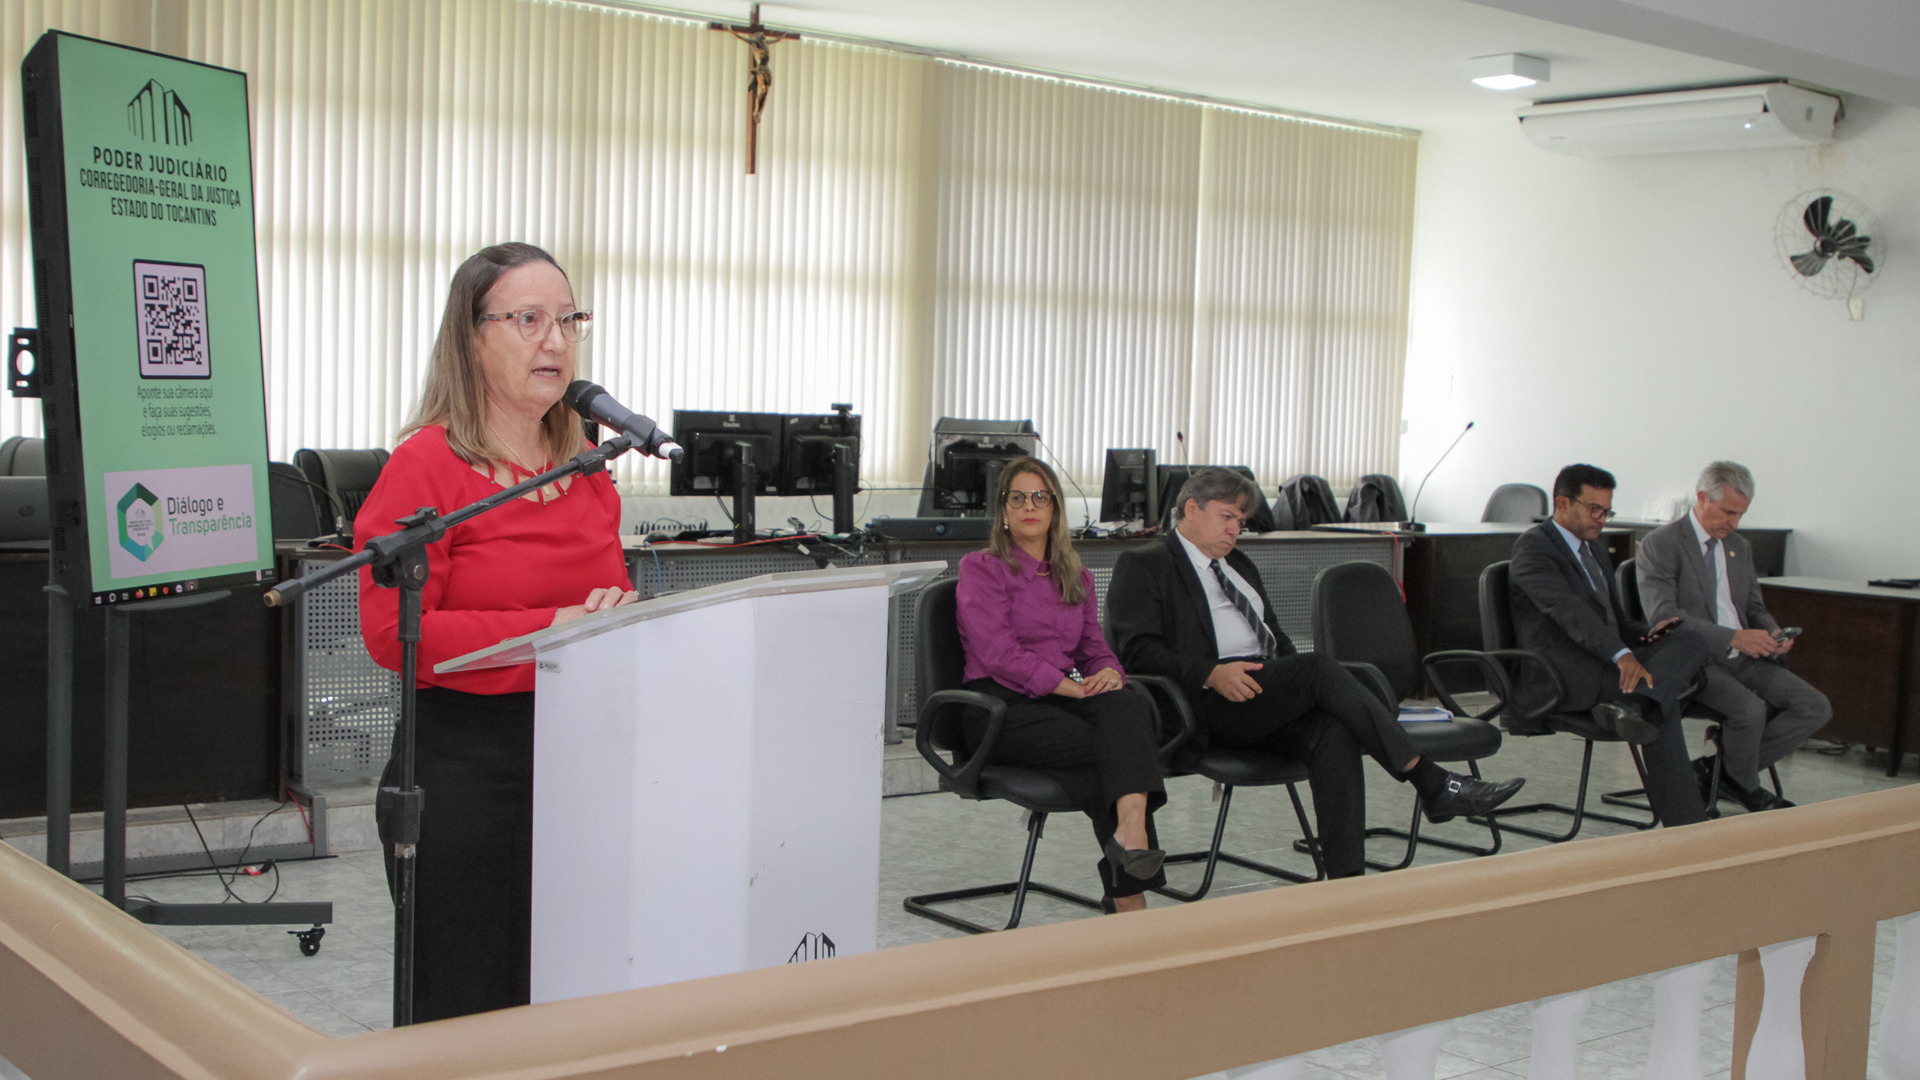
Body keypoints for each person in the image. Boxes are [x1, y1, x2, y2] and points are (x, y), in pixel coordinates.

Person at [356, 242, 639, 1020]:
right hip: (464, 767)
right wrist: (552, 628)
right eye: (528, 320)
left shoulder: (586, 463)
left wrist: (619, 622)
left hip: (584, 759)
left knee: (571, 991)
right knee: (469, 997)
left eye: (568, 319)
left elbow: (611, 593)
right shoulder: (425, 468)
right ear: (472, 338)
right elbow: (392, 631)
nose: (556, 341)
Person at [1107, 468, 1523, 880]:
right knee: (1320, 667)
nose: (1236, 529)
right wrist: (1210, 673)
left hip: (1262, 692)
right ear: (1192, 509)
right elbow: (1136, 652)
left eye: (1242, 521)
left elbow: (1275, 639)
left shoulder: (1238, 565)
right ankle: (1429, 780)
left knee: (1333, 731)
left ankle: (1346, 881)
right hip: (1206, 703)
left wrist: (1288, 676)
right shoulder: (1145, 564)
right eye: (1227, 517)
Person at [955, 457, 1168, 912]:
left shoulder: (1078, 576)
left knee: (1128, 705)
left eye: (1040, 497)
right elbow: (1000, 654)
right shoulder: (982, 568)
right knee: (1112, 748)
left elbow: (1093, 645)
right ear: (1004, 511)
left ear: (1055, 508)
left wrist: (1109, 671)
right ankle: (1131, 898)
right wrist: (1071, 688)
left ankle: (1131, 833)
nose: (1029, 506)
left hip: (1062, 698)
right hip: (998, 708)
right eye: (1018, 498)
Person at [1508, 464, 1713, 827]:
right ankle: (1687, 826)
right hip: (1560, 670)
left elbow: (1613, 620)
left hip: (1602, 659)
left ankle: (1631, 705)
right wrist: (1623, 655)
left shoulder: (1595, 550)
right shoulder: (1534, 549)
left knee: (1692, 637)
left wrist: (1647, 635)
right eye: (1594, 510)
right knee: (1657, 700)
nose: (1602, 519)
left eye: (1608, 511)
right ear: (1562, 503)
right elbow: (1572, 615)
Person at [1634, 461, 1829, 812]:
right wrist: (1733, 638)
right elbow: (1664, 618)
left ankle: (1718, 772)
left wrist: (1771, 631)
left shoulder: (1739, 546)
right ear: (1702, 497)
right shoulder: (1661, 545)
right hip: (1693, 659)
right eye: (1727, 512)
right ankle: (1747, 787)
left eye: (1740, 514)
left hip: (1745, 657)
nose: (1733, 523)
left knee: (1814, 706)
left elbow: (1753, 605)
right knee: (1749, 712)